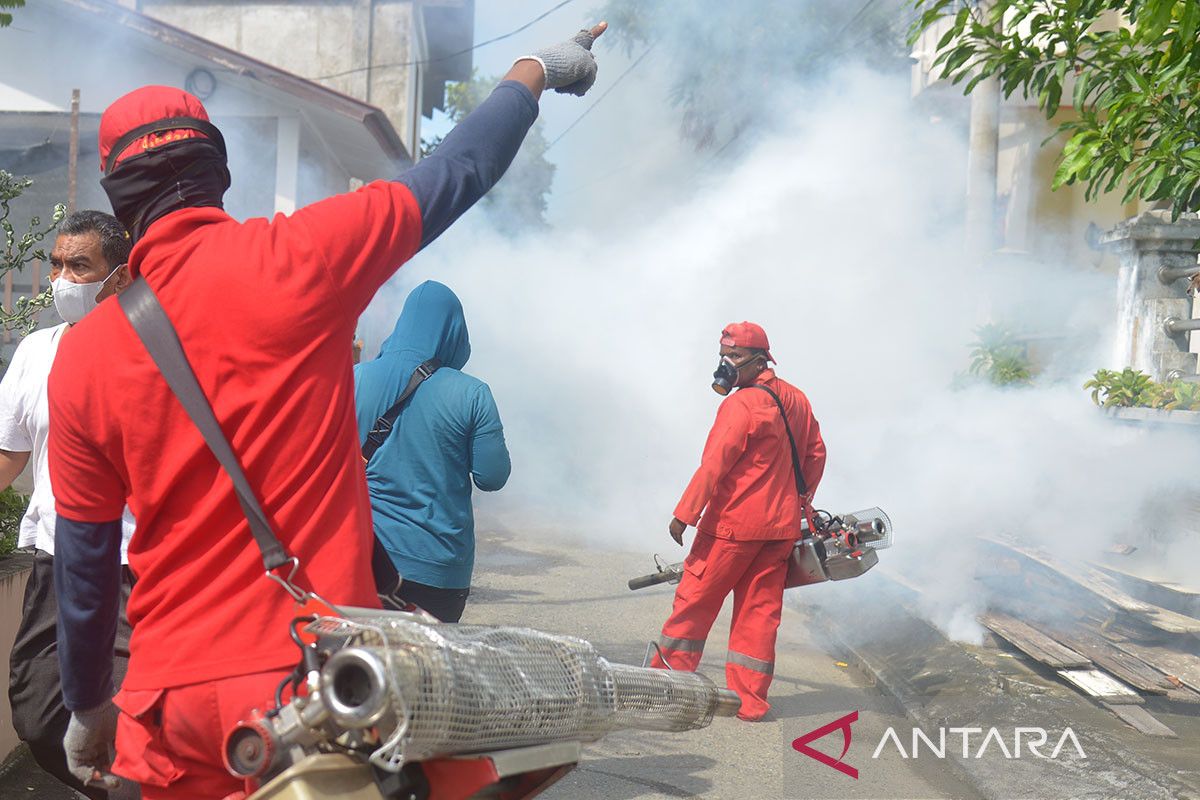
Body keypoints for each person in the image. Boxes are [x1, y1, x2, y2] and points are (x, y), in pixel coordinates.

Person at [46, 23, 606, 800]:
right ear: (218, 170)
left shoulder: (81, 356)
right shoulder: (303, 257)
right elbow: (459, 168)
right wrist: (533, 70)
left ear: (118, 195)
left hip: (171, 710)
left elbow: (84, 563)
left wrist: (85, 703)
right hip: (319, 694)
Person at [1, 210, 137, 798]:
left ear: (120, 276)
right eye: (55, 264)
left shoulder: (153, 347)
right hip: (58, 558)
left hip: (135, 563)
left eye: (79, 266)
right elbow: (10, 455)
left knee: (131, 710)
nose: (61, 279)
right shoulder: (36, 351)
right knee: (34, 710)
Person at [650, 322, 826, 721]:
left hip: (732, 529)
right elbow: (816, 454)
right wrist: (799, 501)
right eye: (723, 357)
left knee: (694, 604)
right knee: (759, 613)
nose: (725, 366)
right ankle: (750, 702)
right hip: (779, 530)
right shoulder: (796, 399)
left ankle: (668, 689)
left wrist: (684, 514)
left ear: (759, 359)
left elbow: (715, 463)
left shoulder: (740, 404)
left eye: (733, 357)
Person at [355, 280, 510, 623]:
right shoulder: (473, 394)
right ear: (456, 331)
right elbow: (492, 477)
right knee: (430, 672)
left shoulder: (357, 378)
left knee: (365, 664)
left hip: (367, 559)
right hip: (439, 568)